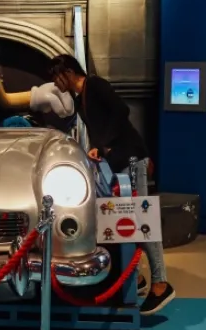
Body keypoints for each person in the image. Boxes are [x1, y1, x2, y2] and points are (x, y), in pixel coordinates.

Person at [47, 54, 175, 316]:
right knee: (123, 220)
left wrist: (104, 143)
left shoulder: (95, 85)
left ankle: (161, 283)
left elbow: (120, 111)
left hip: (131, 157)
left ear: (68, 72)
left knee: (142, 220)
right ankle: (135, 277)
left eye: (57, 77)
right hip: (117, 161)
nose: (56, 84)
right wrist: (98, 146)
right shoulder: (79, 99)